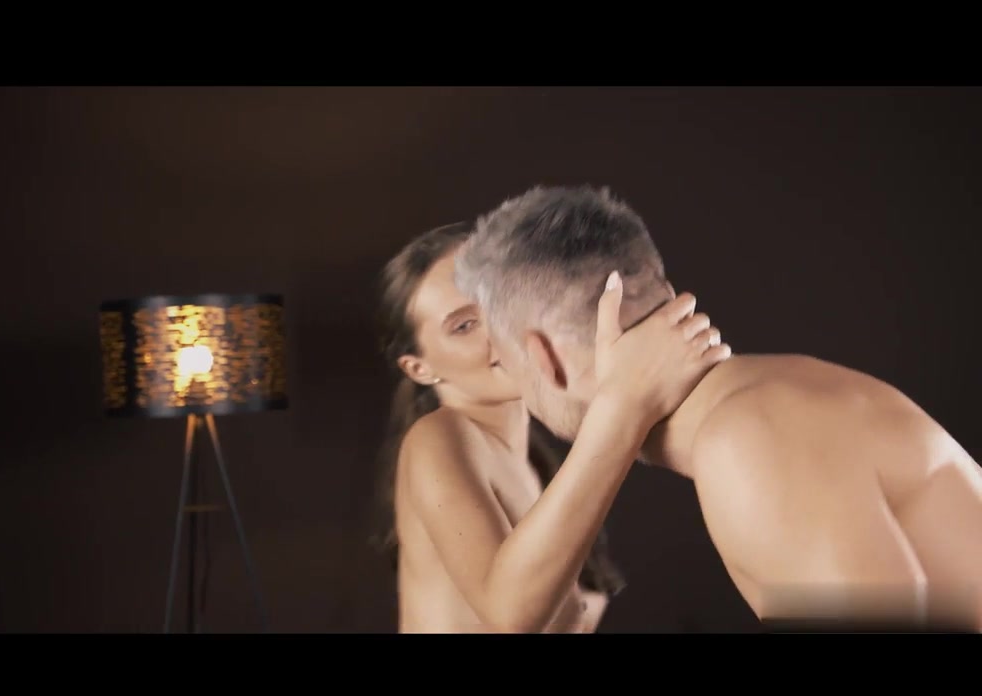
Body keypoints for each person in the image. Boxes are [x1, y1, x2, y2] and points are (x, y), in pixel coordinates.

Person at [455, 184, 982, 631]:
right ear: (662, 292)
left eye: (504, 363)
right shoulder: (777, 396)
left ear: (543, 358)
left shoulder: (752, 438)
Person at [372, 220, 730, 633]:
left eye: (498, 300)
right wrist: (624, 405)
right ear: (420, 368)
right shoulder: (437, 438)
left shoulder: (531, 463)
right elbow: (509, 613)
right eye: (464, 326)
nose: (498, 329)